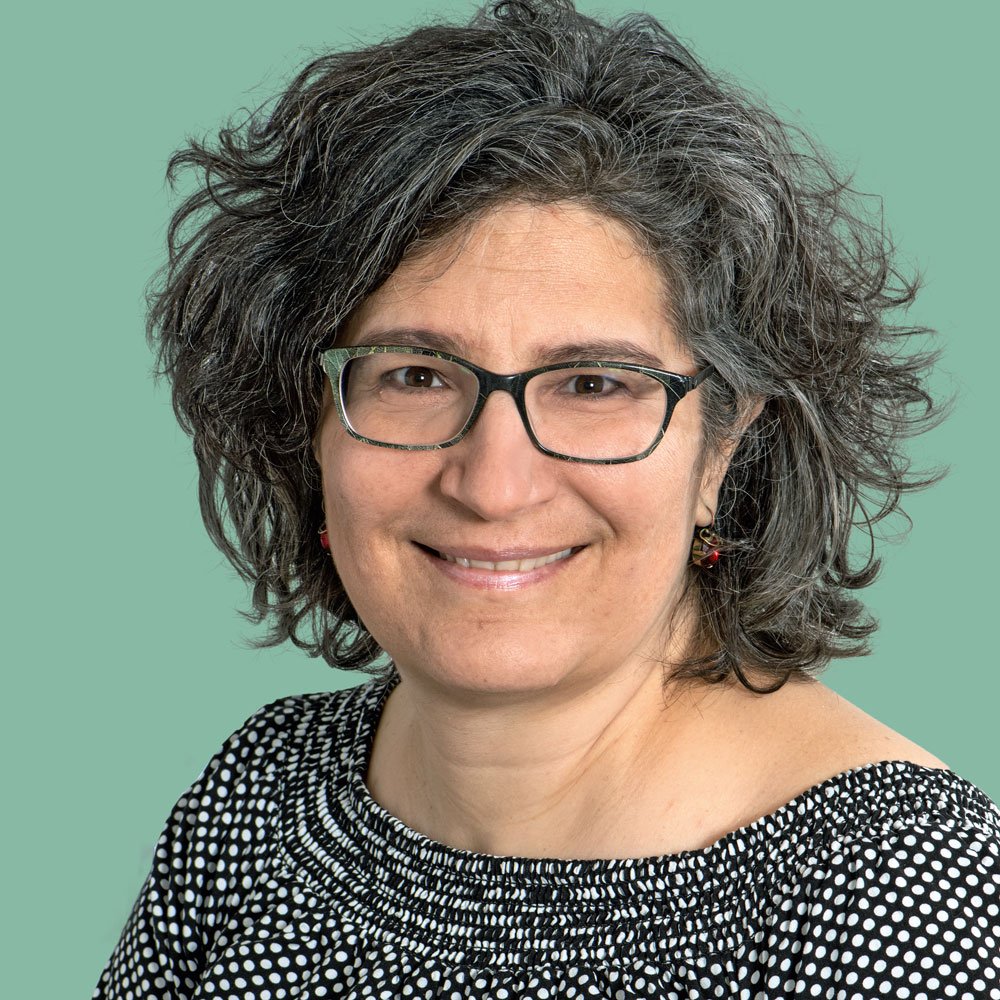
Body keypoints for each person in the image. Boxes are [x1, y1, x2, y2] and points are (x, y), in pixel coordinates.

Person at [94, 1, 1000, 997]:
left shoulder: (903, 895)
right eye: (414, 375)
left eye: (593, 385)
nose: (493, 484)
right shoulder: (261, 800)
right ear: (307, 425)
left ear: (720, 449)